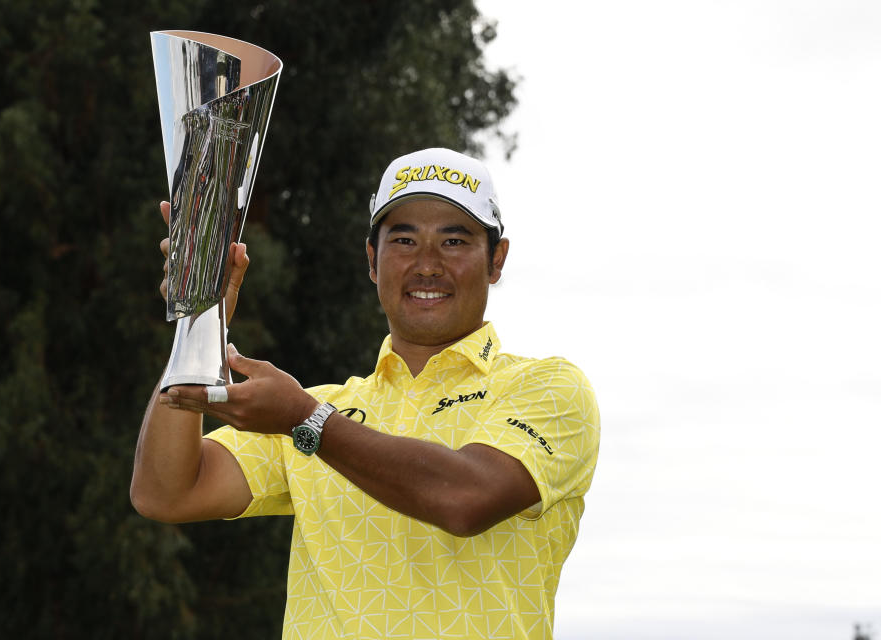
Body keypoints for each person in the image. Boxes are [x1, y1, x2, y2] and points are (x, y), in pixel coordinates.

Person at [131, 148, 600, 640]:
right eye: (404, 239)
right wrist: (198, 323)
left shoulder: (548, 388)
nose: (427, 264)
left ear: (496, 260)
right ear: (373, 261)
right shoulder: (318, 405)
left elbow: (467, 497)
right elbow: (166, 492)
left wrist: (307, 422)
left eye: (454, 240)